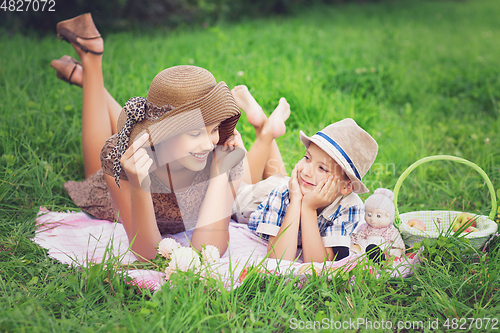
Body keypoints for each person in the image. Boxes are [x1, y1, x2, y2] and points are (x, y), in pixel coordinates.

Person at [51, 13, 291, 261]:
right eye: (195, 132)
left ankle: (88, 74)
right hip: (115, 192)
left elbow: (208, 251)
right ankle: (91, 64)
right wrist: (139, 186)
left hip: (154, 144)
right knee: (95, 170)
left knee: (134, 132)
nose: (209, 142)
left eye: (213, 128)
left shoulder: (224, 150)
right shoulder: (123, 159)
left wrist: (221, 175)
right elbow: (147, 255)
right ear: (161, 134)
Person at [248, 118, 379, 263]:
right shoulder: (282, 193)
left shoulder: (350, 207)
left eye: (322, 168)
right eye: (307, 158)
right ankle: (264, 129)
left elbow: (318, 264)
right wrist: (296, 201)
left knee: (279, 176)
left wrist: (308, 208)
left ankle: (267, 127)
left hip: (291, 185)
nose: (306, 171)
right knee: (238, 187)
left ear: (346, 186)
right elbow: (279, 260)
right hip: (255, 200)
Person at [350, 188, 405, 261]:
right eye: (369, 214)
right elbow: (358, 237)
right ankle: (359, 257)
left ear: (389, 216)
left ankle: (380, 259)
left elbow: (398, 246)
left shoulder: (390, 231)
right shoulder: (366, 228)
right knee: (356, 247)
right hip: (366, 249)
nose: (372, 218)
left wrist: (391, 252)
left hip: (383, 251)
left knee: (392, 252)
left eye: (378, 216)